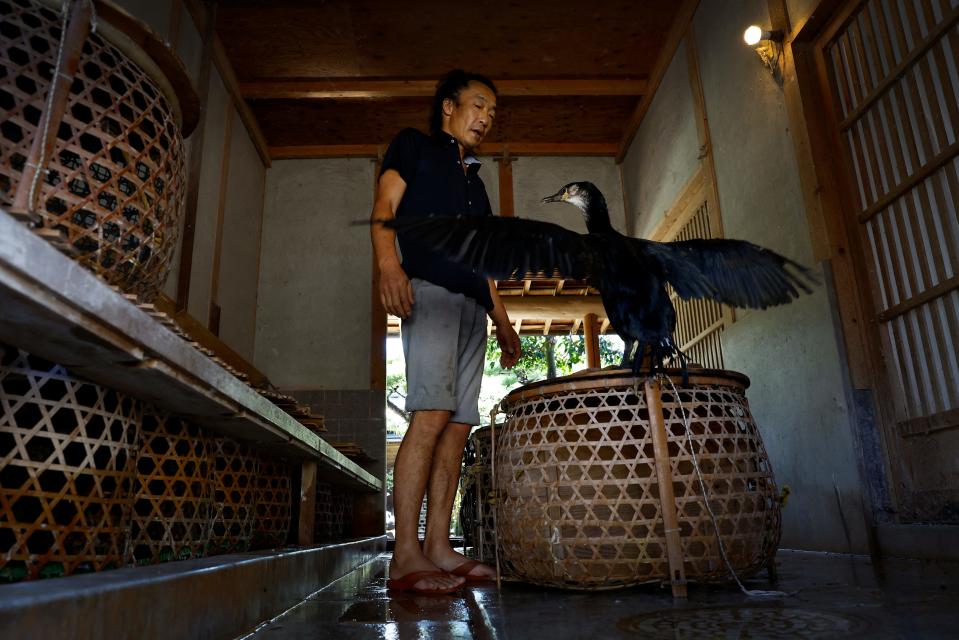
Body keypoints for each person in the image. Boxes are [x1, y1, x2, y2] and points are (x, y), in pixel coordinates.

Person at [370, 69, 521, 594]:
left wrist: (501, 319)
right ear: (449, 108)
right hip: (429, 291)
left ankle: (438, 545)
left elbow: (483, 260)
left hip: (472, 308)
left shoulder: (477, 185)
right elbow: (385, 208)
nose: (486, 118)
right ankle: (404, 554)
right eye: (479, 105)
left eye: (493, 112)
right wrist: (390, 266)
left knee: (457, 426)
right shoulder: (413, 147)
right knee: (430, 414)